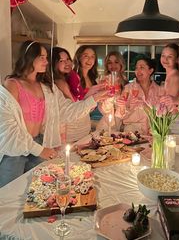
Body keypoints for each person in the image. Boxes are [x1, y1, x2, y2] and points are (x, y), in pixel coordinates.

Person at [0, 41, 108, 187]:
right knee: (9, 192)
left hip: (40, 142)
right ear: (29, 58)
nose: (46, 61)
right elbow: (7, 126)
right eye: (42, 57)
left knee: (37, 190)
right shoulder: (12, 84)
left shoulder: (46, 88)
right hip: (16, 148)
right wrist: (39, 150)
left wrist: (93, 99)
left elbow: (67, 111)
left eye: (46, 57)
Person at [52, 47, 96, 143]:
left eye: (67, 59)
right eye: (61, 60)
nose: (67, 63)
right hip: (71, 133)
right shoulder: (60, 82)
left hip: (83, 129)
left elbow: (81, 102)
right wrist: (95, 96)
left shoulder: (69, 77)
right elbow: (76, 106)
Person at [115, 57, 160, 134]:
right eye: (136, 68)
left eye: (141, 67)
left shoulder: (158, 90)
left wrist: (144, 106)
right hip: (131, 132)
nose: (138, 71)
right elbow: (120, 115)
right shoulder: (128, 88)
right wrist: (122, 106)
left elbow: (161, 115)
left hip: (152, 132)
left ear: (150, 71)